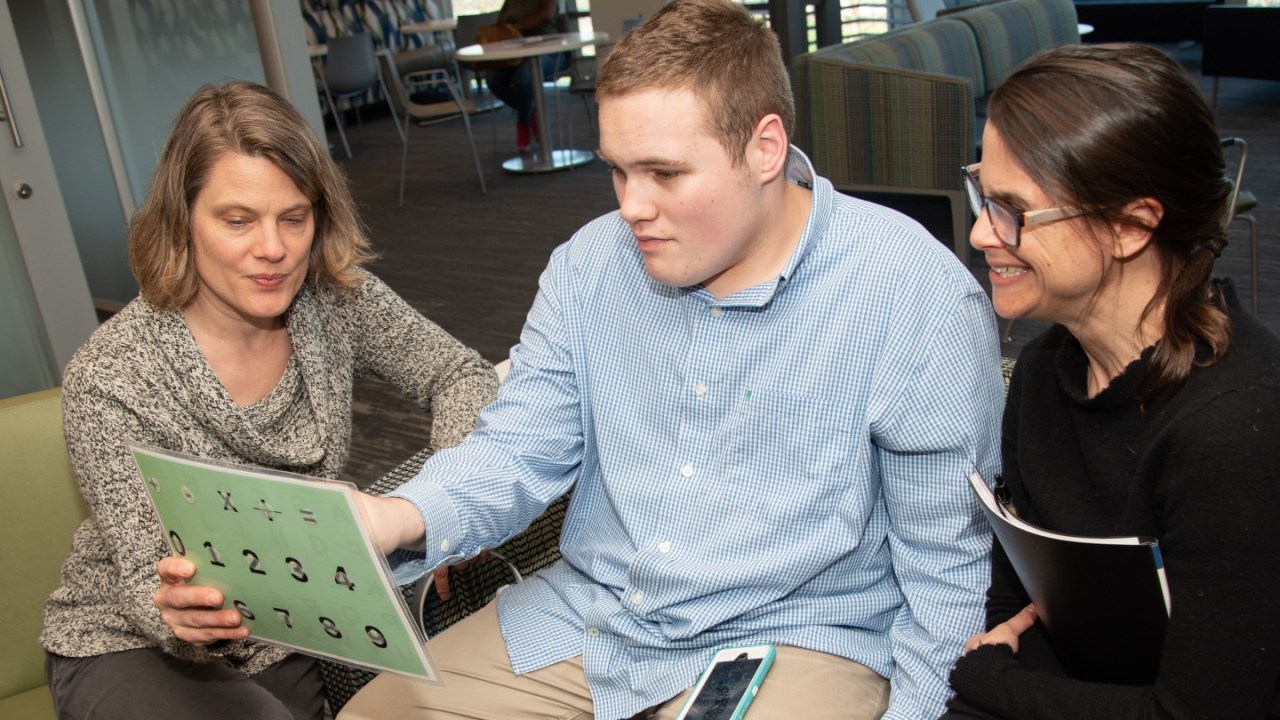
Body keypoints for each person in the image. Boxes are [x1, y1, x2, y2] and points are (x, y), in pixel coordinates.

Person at [158, 2, 1005, 718]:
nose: (632, 208)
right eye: (616, 172)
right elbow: (519, 448)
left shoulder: (910, 295)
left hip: (795, 635)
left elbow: (946, 563)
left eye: (665, 174)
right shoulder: (591, 264)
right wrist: (392, 518)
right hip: (597, 618)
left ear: (765, 148)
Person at [40, 81, 498, 720]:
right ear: (183, 221)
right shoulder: (113, 377)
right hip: (138, 644)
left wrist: (445, 495)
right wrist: (178, 612)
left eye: (294, 217)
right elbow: (152, 584)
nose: (274, 250)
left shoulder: (334, 301)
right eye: (237, 221)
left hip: (296, 616)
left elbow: (460, 374)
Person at [945, 43, 1280, 719]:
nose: (982, 233)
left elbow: (1196, 712)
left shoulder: (1235, 427)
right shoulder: (1046, 373)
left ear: (1131, 226)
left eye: (1014, 210)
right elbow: (1018, 620)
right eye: (984, 193)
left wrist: (988, 682)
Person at [485, 0, 567, 151]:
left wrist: (517, 27)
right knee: (493, 79)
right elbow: (500, 24)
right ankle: (532, 112)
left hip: (549, 51)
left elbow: (546, 16)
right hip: (516, 54)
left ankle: (523, 122)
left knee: (522, 79)